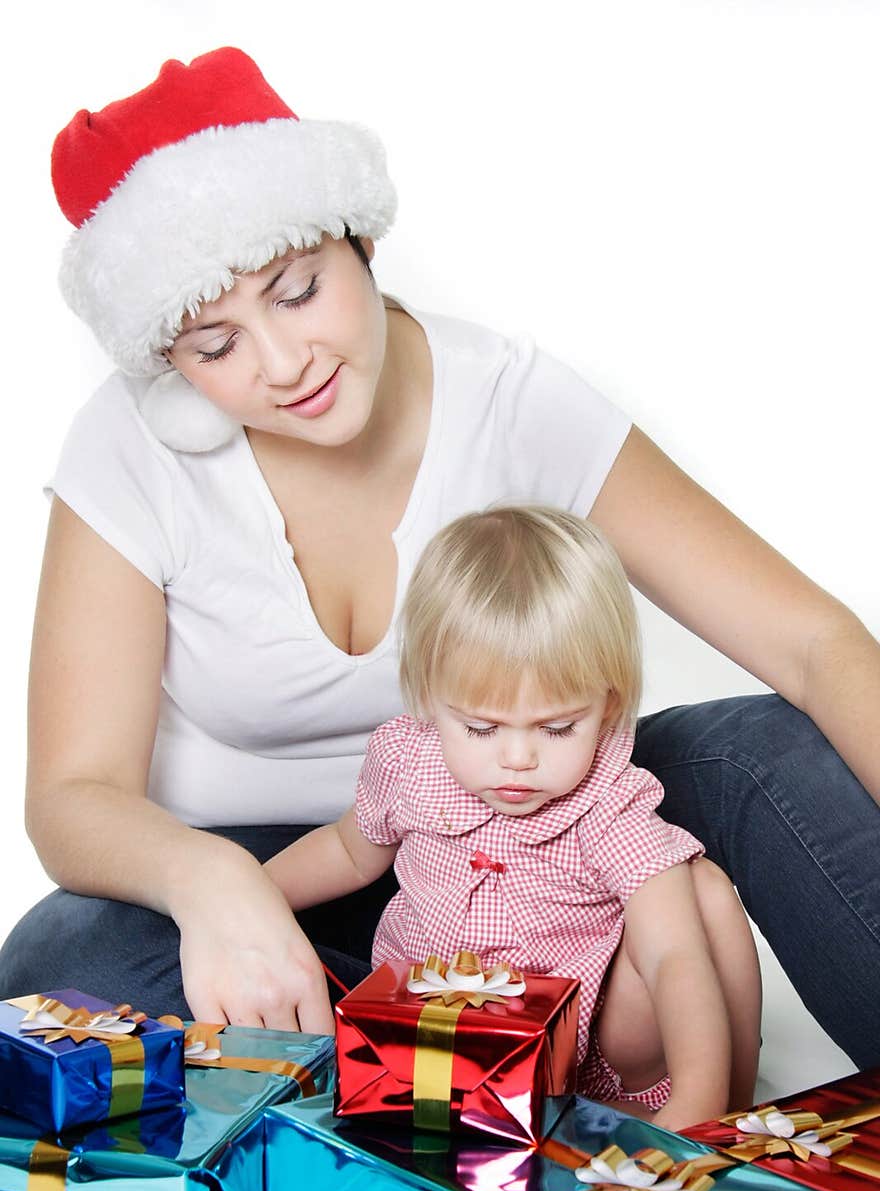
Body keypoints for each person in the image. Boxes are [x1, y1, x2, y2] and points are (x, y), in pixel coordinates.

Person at [2, 47, 878, 1065]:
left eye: (295, 292)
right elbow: (71, 793)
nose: (285, 366)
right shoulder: (130, 448)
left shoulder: (511, 400)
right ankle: (451, 1112)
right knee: (65, 966)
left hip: (553, 831)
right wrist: (213, 884)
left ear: (358, 238)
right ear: (169, 364)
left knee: (770, 748)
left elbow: (816, 644)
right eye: (215, 346)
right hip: (292, 881)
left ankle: (519, 1066)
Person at [264, 505, 762, 1130]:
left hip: (582, 1053)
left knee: (702, 896)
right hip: (423, 1033)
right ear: (426, 696)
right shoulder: (411, 762)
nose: (518, 759)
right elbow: (346, 851)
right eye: (480, 726)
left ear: (607, 703)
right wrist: (247, 896)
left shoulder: (609, 800)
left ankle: (723, 1109)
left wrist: (697, 1101)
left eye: (557, 728)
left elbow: (674, 958)